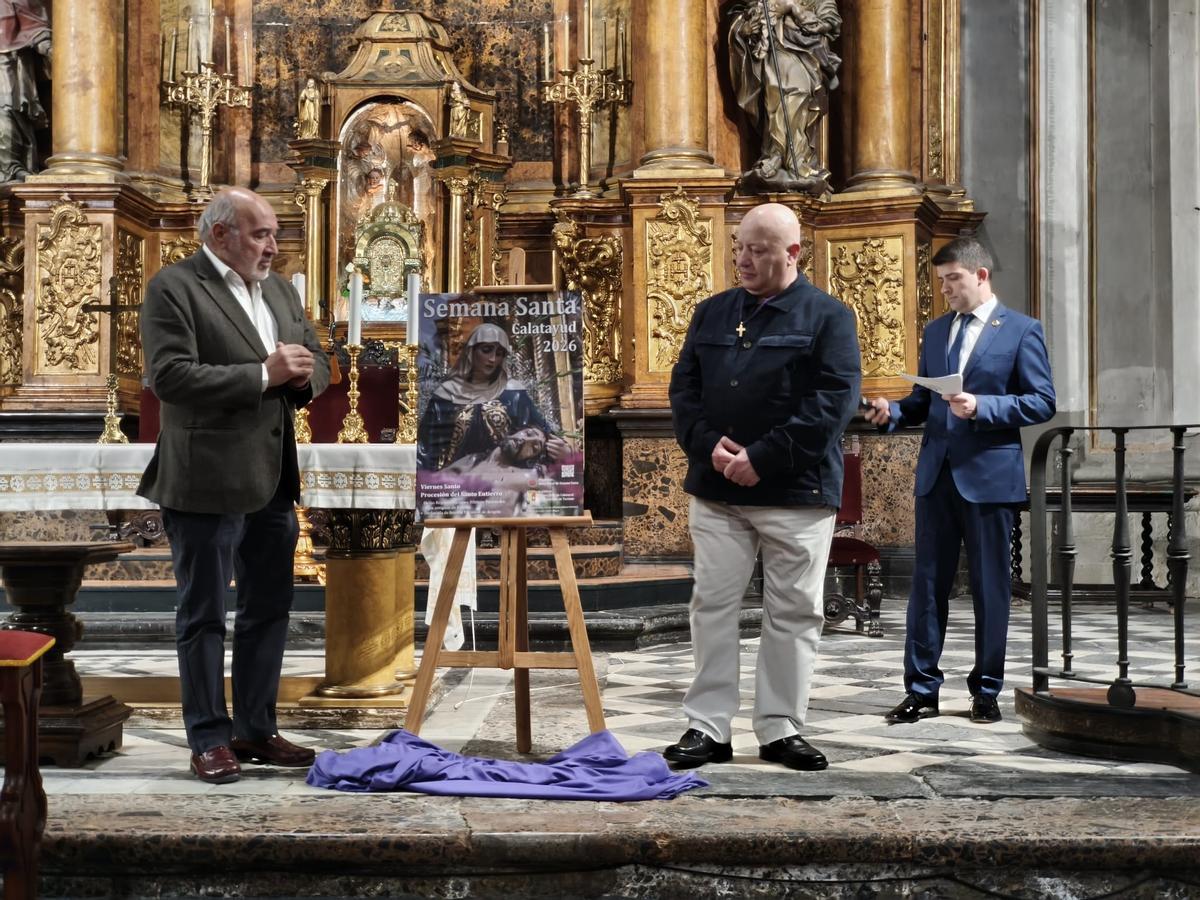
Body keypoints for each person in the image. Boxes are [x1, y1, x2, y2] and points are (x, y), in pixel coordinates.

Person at [137, 187, 331, 783]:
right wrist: (261, 374)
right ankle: (208, 738)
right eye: (260, 234)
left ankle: (256, 728)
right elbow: (167, 376)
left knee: (268, 607)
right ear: (220, 234)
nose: (273, 246)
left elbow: (317, 357)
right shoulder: (174, 286)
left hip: (272, 478)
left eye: (274, 234)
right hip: (205, 477)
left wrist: (302, 380)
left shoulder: (278, 289)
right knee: (203, 613)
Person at [664, 202, 861, 771]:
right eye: (739, 247)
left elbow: (833, 402)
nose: (743, 260)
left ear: (793, 253)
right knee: (712, 606)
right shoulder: (711, 313)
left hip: (795, 492)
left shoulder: (829, 317)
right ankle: (707, 727)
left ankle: (779, 728)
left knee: (794, 611)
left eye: (758, 250)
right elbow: (684, 393)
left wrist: (764, 457)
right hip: (718, 488)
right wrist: (707, 444)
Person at [863, 236, 1055, 725]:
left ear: (981, 276)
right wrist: (892, 413)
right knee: (927, 586)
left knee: (991, 588)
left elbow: (1041, 401)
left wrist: (983, 407)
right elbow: (922, 403)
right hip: (937, 475)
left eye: (954, 280)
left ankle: (986, 690)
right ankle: (922, 690)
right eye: (941, 280)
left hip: (990, 477)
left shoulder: (1021, 331)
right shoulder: (936, 332)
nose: (945, 289)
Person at [416, 322, 570, 472]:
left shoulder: (513, 392)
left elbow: (543, 434)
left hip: (500, 482)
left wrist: (565, 452)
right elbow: (426, 448)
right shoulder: (446, 393)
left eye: (499, 353)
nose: (493, 359)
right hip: (452, 481)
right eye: (487, 350)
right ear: (471, 351)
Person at [726, 0, 841, 194]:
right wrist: (744, 30)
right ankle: (775, 154)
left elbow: (829, 23)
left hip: (806, 57)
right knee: (775, 98)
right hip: (772, 57)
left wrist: (792, 8)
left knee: (797, 98)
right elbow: (740, 20)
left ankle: (798, 160)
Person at [0, 0, 50, 182]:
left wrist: (47, 46)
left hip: (7, 63)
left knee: (6, 112)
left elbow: (34, 24)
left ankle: (10, 168)